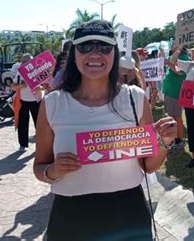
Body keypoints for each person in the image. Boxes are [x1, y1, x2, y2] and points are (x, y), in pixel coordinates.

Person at [33, 20, 176, 241]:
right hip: (71, 216)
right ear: (74, 54)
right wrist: (53, 170)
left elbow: (148, 166)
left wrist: (164, 141)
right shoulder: (52, 103)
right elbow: (39, 167)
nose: (95, 54)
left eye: (104, 47)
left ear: (115, 53)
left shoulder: (135, 98)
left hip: (128, 213)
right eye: (85, 46)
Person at [11, 53, 44, 152]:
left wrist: (40, 88)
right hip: (23, 101)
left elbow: (46, 86)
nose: (29, 64)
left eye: (31, 61)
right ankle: (22, 144)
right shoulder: (19, 73)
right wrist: (21, 86)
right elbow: (13, 86)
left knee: (39, 124)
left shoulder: (38, 71)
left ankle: (41, 144)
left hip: (36, 101)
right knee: (22, 124)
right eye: (27, 62)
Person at [162, 45, 190, 148]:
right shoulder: (176, 56)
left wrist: (169, 63)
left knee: (176, 117)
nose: (172, 45)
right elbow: (170, 62)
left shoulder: (185, 58)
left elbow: (180, 73)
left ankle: (180, 139)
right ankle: (174, 139)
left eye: (175, 43)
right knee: (171, 116)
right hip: (170, 91)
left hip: (175, 92)